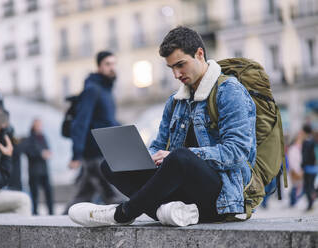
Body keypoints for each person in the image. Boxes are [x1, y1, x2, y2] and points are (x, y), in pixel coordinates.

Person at [68, 26, 257, 227]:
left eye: (180, 65)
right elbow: (159, 145)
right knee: (112, 165)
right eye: (171, 68)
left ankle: (122, 213)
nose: (176, 74)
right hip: (182, 191)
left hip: (222, 196)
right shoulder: (175, 102)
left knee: (180, 156)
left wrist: (186, 155)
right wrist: (147, 157)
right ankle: (171, 211)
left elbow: (237, 153)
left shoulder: (229, 91)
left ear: (199, 54)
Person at [63, 51, 121, 214]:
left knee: (83, 196)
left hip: (105, 151)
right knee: (113, 196)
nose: (112, 68)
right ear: (99, 66)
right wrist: (76, 154)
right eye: (108, 64)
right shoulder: (92, 90)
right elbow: (80, 122)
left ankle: (60, 220)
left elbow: (108, 121)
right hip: (95, 153)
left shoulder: (106, 90)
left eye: (114, 64)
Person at [24, 118, 53, 215]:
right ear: (33, 126)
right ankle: (35, 212)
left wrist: (48, 153)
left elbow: (48, 149)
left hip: (44, 170)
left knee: (49, 192)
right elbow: (28, 152)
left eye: (41, 125)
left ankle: (51, 212)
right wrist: (41, 154)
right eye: (38, 125)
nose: (40, 127)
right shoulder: (29, 139)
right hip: (34, 171)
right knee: (34, 194)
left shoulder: (43, 137)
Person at [301, 124, 317, 211]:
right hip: (312, 167)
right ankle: (310, 203)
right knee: (309, 186)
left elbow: (305, 155)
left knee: (308, 187)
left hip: (309, 167)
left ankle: (310, 204)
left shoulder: (308, 142)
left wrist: (303, 164)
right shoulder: (313, 140)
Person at [288, 130, 305, 207]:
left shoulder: (302, 148)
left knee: (300, 186)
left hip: (301, 169)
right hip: (295, 170)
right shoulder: (293, 148)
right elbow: (291, 160)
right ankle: (293, 201)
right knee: (295, 186)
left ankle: (294, 200)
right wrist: (295, 170)